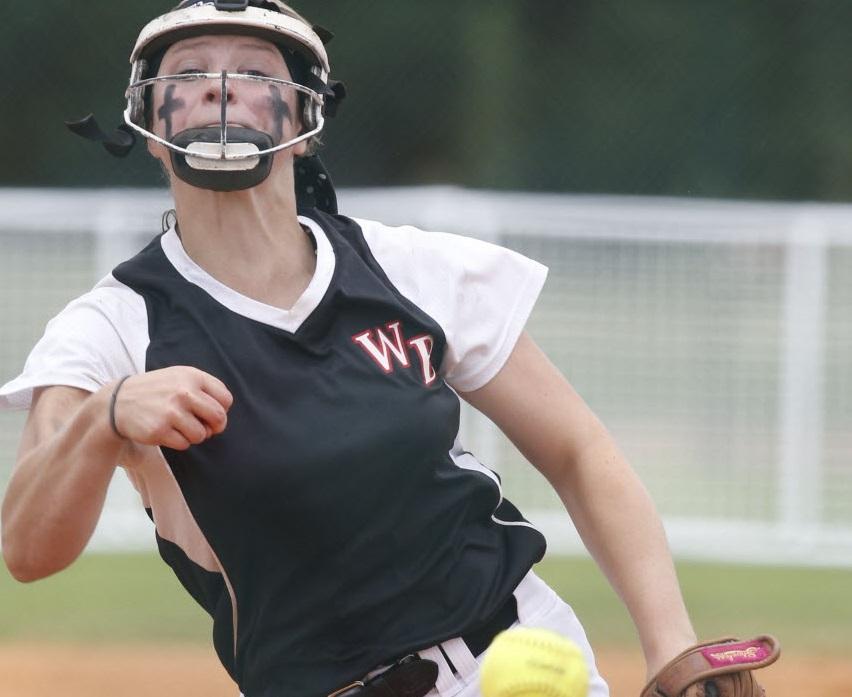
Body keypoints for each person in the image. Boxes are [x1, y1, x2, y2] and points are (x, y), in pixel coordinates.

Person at [0, 3, 777, 697]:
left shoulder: (407, 267)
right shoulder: (110, 328)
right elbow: (28, 550)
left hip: (520, 651)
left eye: (255, 72)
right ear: (149, 126)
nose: (220, 87)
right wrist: (104, 419)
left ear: (305, 120)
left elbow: (577, 449)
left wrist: (672, 647)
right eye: (190, 73)